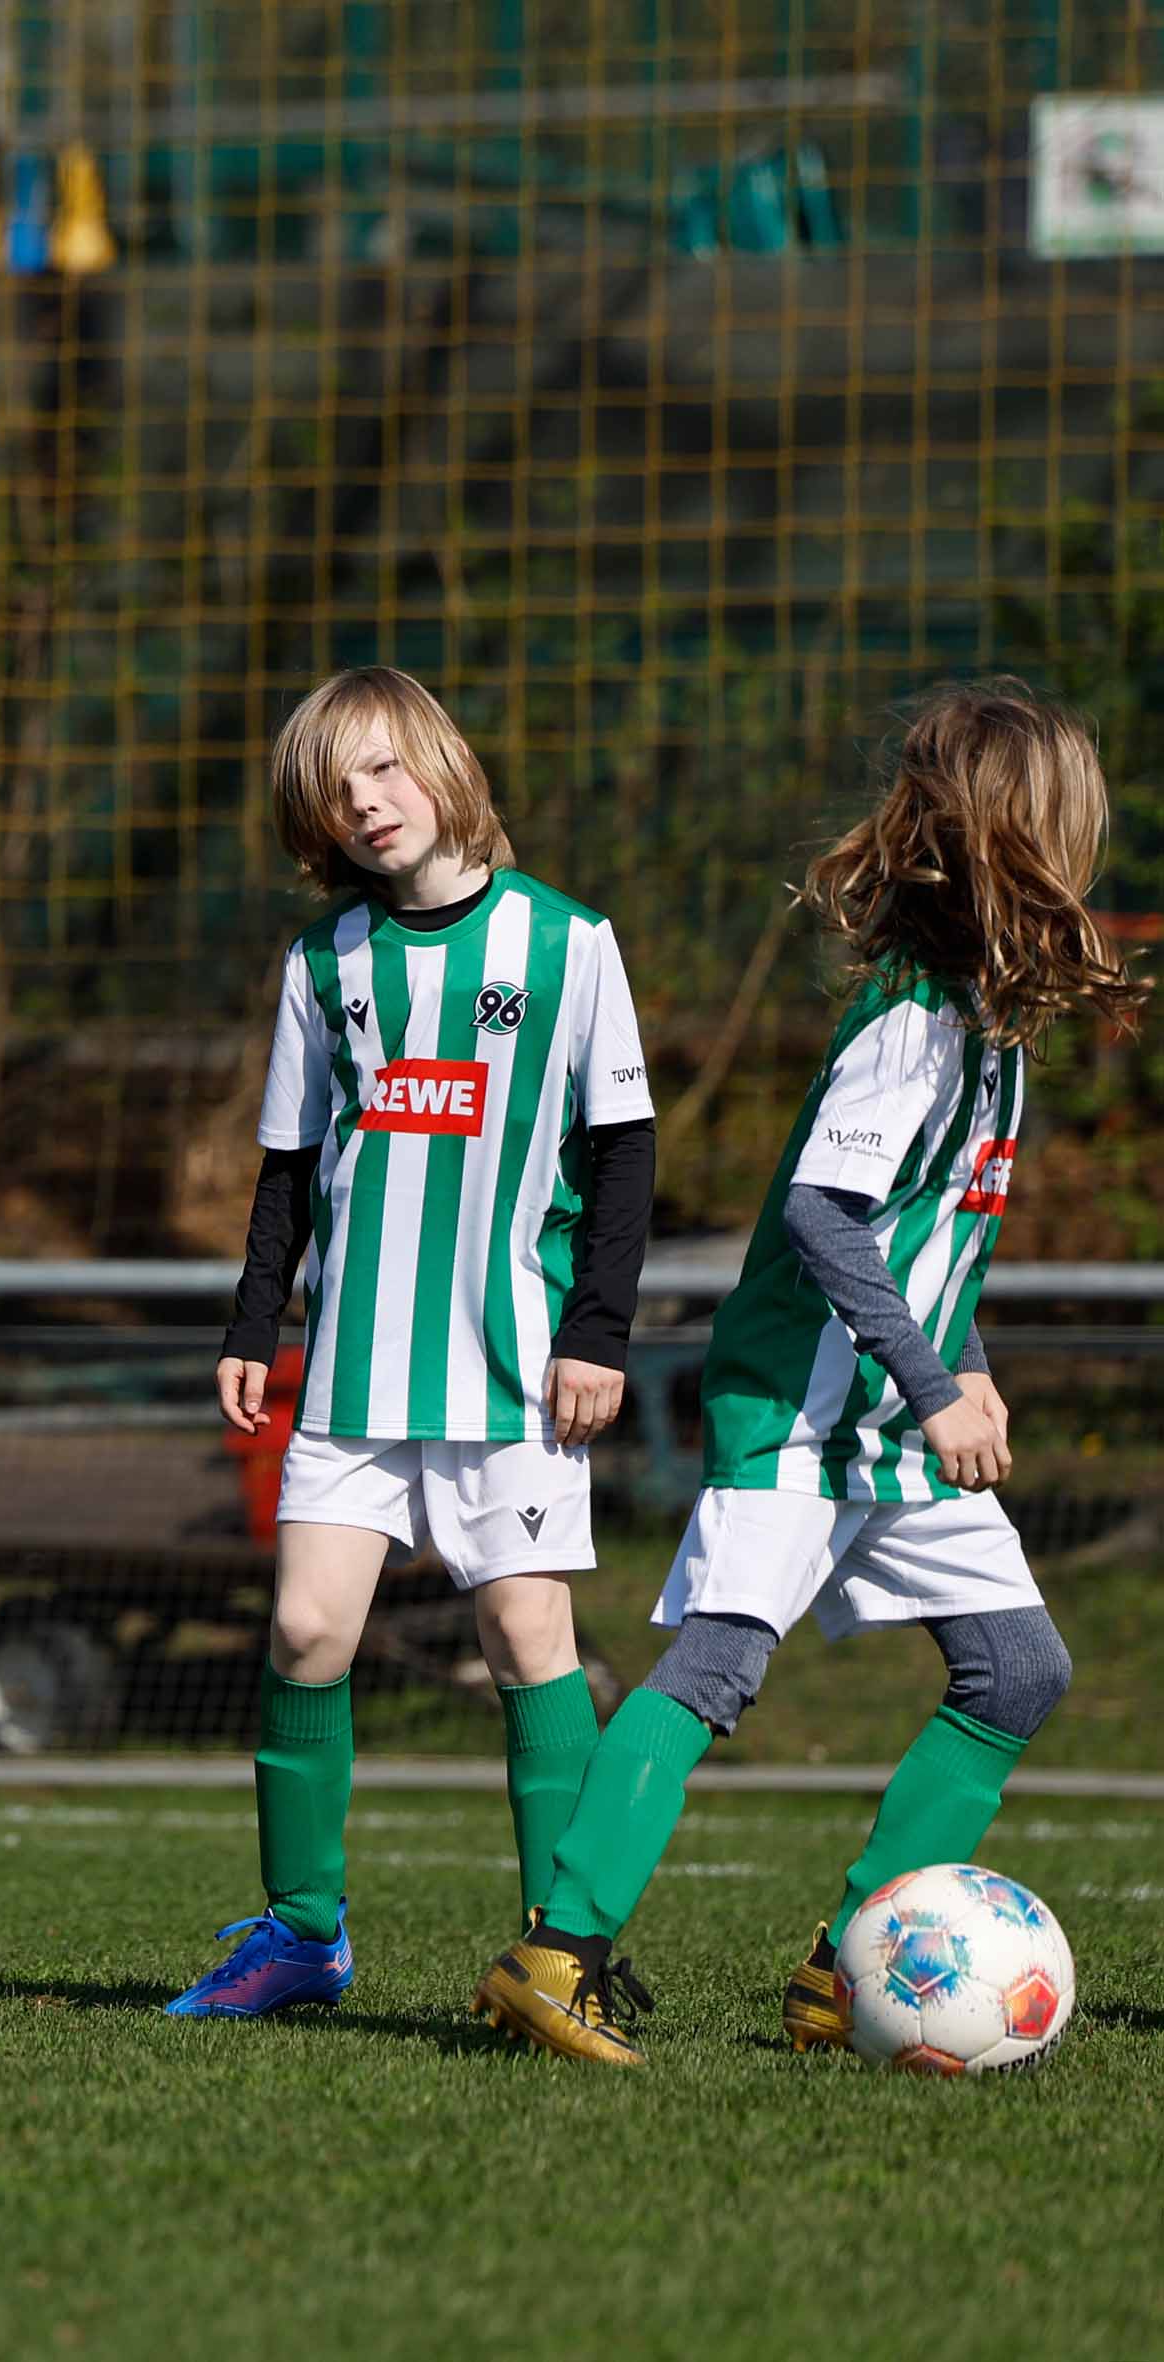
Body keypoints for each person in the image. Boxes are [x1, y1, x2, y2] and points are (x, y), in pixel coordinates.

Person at [475, 681, 1144, 2066]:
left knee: (1016, 1668)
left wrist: (965, 1362)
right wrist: (932, 1379)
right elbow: (823, 1217)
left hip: (889, 1413)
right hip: (798, 1403)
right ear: (1025, 837)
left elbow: (920, 1238)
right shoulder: (911, 1022)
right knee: (718, 1664)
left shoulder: (989, 1027)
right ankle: (559, 1946)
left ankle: (847, 1969)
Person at [173, 665, 655, 2018]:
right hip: (349, 1368)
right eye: (335, 789)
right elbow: (284, 1164)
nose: (364, 802)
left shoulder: (564, 945)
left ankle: (561, 1952)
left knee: (522, 1634)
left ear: (442, 766)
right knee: (305, 1629)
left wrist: (594, 1334)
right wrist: (250, 1320)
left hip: (509, 1366)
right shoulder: (321, 963)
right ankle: (298, 1935)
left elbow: (619, 1155)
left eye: (383, 769)